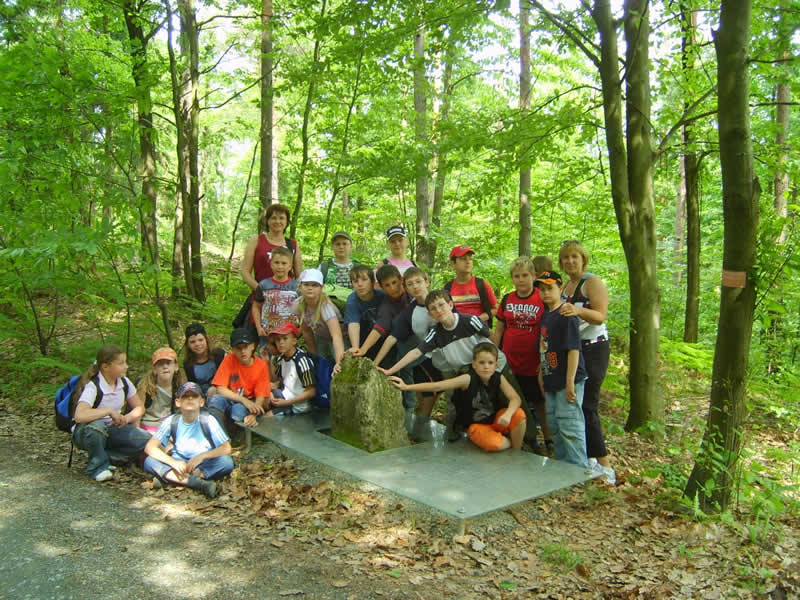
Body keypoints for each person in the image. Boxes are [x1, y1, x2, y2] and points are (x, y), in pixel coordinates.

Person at [389, 343, 525, 452]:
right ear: (474, 364)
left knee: (518, 414)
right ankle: (508, 443)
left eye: (490, 363)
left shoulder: (498, 378)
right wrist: (407, 387)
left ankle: (516, 452)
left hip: (496, 420)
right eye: (482, 362)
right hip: (476, 425)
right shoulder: (467, 379)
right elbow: (437, 386)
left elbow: (515, 398)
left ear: (496, 365)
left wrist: (508, 414)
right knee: (493, 444)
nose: (486, 366)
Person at [558, 240, 614, 482]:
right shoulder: (565, 286)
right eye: (566, 258)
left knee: (588, 405)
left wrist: (578, 310)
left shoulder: (592, 282)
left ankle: (605, 464)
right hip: (573, 351)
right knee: (575, 405)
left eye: (575, 257)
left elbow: (600, 316)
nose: (570, 261)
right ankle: (587, 458)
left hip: (594, 349)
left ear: (583, 259)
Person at [378, 289, 508, 378]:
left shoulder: (469, 320)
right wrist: (390, 371)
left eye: (441, 305)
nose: (439, 310)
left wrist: (497, 362)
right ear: (430, 314)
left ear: (451, 305)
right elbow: (415, 352)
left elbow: (493, 337)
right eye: (433, 308)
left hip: (496, 367)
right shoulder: (436, 333)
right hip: (472, 373)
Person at [493, 257, 551, 453]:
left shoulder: (541, 297)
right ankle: (525, 437)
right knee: (513, 400)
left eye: (525, 275)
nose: (521, 280)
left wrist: (544, 360)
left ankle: (549, 440)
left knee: (539, 402)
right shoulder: (508, 299)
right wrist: (493, 355)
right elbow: (499, 329)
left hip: (533, 361)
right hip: (509, 360)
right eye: (516, 276)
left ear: (534, 276)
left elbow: (548, 330)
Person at [71, 344, 151, 482]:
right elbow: (79, 416)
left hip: (112, 430)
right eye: (121, 363)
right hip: (86, 432)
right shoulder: (93, 386)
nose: (126, 366)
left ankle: (105, 456)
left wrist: (127, 418)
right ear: (105, 367)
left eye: (125, 362)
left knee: (146, 439)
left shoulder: (124, 382)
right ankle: (97, 468)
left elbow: (139, 407)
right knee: (97, 426)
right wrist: (108, 411)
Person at [144, 382, 233, 499]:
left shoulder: (208, 420)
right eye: (185, 396)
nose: (190, 398)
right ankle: (196, 483)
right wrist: (173, 462)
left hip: (202, 464)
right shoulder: (171, 421)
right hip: (178, 461)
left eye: (194, 396)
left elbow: (226, 448)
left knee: (226, 462)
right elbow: (150, 447)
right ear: (178, 402)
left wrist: (202, 456)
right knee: (149, 461)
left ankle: (172, 479)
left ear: (201, 402)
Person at [535, 271, 588, 468]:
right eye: (542, 289)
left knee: (570, 425)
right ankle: (562, 469)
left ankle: (578, 470)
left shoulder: (567, 314)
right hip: (550, 379)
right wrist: (541, 372)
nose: (546, 293)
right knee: (554, 425)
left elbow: (574, 349)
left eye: (550, 288)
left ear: (560, 288)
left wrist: (570, 382)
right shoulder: (545, 316)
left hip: (568, 380)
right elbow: (544, 346)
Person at [374, 267, 441, 417]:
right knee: (427, 393)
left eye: (418, 282)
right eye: (410, 284)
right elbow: (392, 337)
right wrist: (375, 364)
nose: (415, 286)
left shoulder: (442, 299)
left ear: (427, 282)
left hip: (451, 353)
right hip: (426, 356)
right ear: (406, 287)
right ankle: (421, 425)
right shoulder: (409, 312)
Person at [207, 328, 272, 430]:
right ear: (233, 349)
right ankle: (217, 435)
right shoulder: (229, 359)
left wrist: (254, 414)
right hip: (233, 398)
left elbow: (261, 395)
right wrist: (243, 400)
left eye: (245, 347)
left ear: (252, 346)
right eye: (238, 348)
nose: (243, 351)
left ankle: (239, 438)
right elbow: (220, 388)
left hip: (250, 402)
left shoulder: (261, 365)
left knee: (238, 410)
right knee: (216, 399)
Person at [350, 264, 409, 363]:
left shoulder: (412, 291)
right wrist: (363, 349)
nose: (392, 288)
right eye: (387, 285)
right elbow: (380, 326)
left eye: (394, 282)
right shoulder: (386, 305)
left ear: (401, 280)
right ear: (381, 287)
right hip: (401, 344)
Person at [240, 203, 303, 288]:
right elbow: (245, 271)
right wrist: (260, 290)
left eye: (281, 218)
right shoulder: (256, 240)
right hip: (261, 295)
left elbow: (300, 276)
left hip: (287, 297)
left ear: (287, 221)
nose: (277, 221)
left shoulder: (292, 244)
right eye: (273, 218)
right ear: (267, 220)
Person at [293, 268, 345, 368]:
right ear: (300, 286)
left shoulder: (326, 307)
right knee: (322, 365)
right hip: (321, 337)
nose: (310, 288)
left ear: (321, 288)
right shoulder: (298, 305)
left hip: (341, 338)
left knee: (341, 365)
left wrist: (339, 362)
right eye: (306, 284)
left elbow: (337, 336)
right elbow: (306, 331)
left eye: (314, 285)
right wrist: (314, 358)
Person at [251, 246, 299, 347]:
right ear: (271, 264)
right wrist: (259, 327)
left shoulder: (297, 286)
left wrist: (300, 330)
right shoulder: (264, 285)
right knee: (265, 360)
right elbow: (256, 306)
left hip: (289, 336)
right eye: (276, 263)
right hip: (267, 334)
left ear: (290, 266)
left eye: (284, 263)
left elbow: (304, 310)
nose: (280, 267)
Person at [266, 323, 316, 416]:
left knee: (267, 417)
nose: (281, 342)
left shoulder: (301, 361)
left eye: (285, 338)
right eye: (278, 339)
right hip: (285, 397)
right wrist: (267, 362)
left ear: (294, 341)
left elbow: (311, 391)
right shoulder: (281, 359)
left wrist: (286, 403)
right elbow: (277, 381)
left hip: (298, 406)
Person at [132, 347, 186, 433]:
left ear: (176, 367)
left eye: (168, 363)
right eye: (160, 364)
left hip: (169, 426)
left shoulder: (179, 388)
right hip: (148, 426)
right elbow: (138, 411)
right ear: (154, 369)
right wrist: (138, 432)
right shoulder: (145, 387)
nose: (165, 367)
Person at [444, 245, 498, 326]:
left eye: (470, 259)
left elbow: (496, 309)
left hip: (481, 333)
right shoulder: (447, 288)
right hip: (458, 333)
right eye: (463, 259)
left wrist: (478, 319)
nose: (468, 262)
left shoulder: (481, 284)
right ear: (453, 264)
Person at [343, 264, 386, 353]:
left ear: (373, 282)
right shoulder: (352, 300)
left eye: (364, 280)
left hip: (384, 340)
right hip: (363, 341)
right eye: (355, 281)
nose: (360, 284)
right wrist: (355, 347)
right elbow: (353, 324)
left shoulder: (383, 296)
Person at [183, 322, 225, 398]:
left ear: (206, 339)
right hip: (200, 395)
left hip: (219, 393)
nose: (197, 344)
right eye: (192, 342)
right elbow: (193, 385)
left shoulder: (219, 355)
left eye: (200, 340)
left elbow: (226, 378)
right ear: (188, 345)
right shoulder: (188, 363)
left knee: (212, 391)